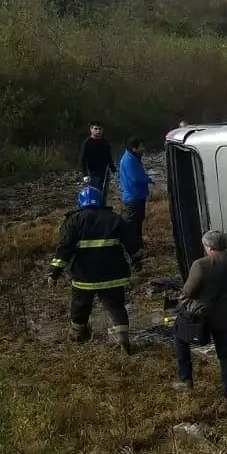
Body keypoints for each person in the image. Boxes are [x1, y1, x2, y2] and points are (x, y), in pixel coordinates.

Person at [48, 185, 141, 354]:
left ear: (81, 202)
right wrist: (137, 260)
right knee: (116, 307)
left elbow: (63, 250)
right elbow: (131, 242)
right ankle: (123, 341)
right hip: (113, 275)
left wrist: (54, 273)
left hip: (85, 278)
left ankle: (78, 336)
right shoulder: (114, 218)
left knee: (80, 307)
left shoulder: (74, 221)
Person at [174, 231, 227, 396]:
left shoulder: (201, 264)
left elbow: (188, 292)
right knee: (225, 354)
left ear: (209, 247)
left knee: (180, 339)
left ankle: (186, 380)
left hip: (204, 316)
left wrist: (183, 304)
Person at [118, 137, 153, 253]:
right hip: (133, 196)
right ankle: (133, 250)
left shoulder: (133, 157)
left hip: (137, 195)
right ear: (134, 148)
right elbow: (135, 178)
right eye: (141, 146)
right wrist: (149, 179)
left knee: (138, 221)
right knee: (132, 224)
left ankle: (138, 245)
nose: (143, 149)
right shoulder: (129, 160)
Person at [79, 122, 117, 205]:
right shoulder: (87, 143)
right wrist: (85, 174)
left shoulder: (105, 142)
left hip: (105, 172)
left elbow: (109, 157)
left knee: (104, 194)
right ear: (91, 129)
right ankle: (95, 212)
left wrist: (114, 170)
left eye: (100, 129)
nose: (98, 131)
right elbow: (82, 159)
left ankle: (103, 211)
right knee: (95, 194)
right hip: (92, 173)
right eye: (95, 129)